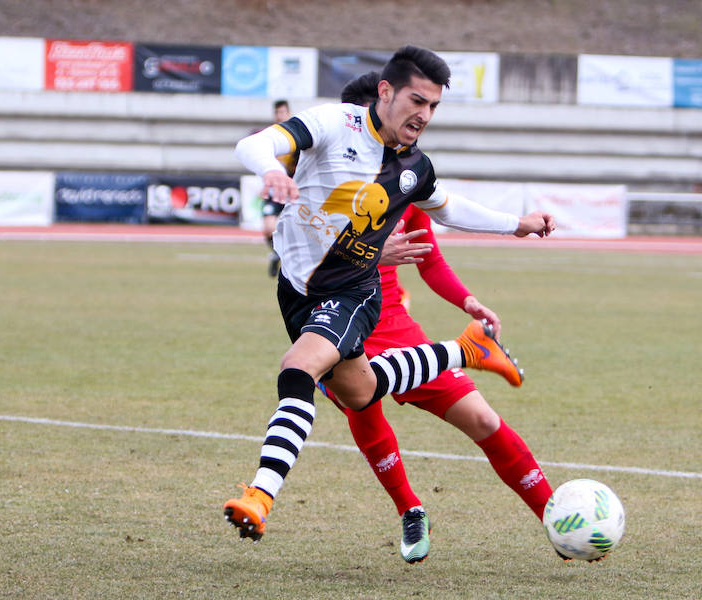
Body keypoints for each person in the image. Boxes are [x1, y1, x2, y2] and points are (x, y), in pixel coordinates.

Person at [222, 45, 556, 545]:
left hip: (354, 293)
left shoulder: (414, 167)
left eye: (433, 106)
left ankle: (260, 494)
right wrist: (269, 168)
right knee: (361, 392)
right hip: (297, 293)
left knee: (297, 370)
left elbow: (447, 208)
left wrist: (517, 226)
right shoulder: (335, 124)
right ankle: (465, 349)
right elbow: (254, 144)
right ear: (385, 91)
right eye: (417, 101)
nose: (424, 114)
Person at [322, 71, 554, 564]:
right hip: (336, 325)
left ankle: (556, 517)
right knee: (362, 407)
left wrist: (468, 301)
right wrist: (362, 252)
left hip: (397, 329)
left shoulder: (405, 178)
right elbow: (301, 251)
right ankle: (410, 509)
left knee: (483, 419)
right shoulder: (321, 180)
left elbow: (429, 253)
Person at [263, 99, 295, 277]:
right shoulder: (269, 136)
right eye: (277, 113)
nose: (280, 115)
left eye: (283, 112)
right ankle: (276, 253)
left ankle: (289, 258)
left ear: (288, 113)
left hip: (293, 190)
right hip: (274, 189)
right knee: (268, 228)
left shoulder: (297, 135)